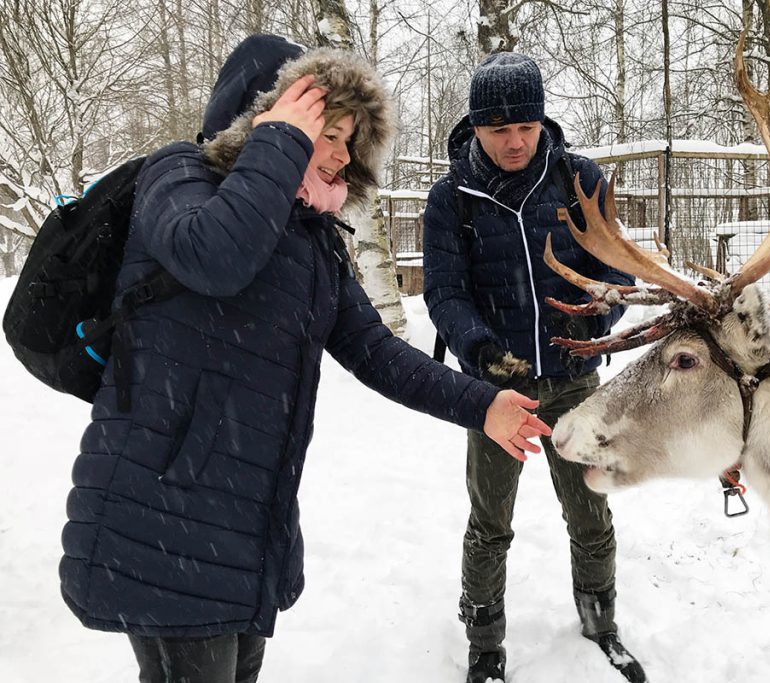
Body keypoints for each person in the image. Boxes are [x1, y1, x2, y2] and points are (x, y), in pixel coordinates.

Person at [58, 34, 551, 683]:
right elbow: (216, 255)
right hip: (165, 519)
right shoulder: (178, 176)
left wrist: (481, 402)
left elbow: (375, 350)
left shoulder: (312, 241)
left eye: (352, 140)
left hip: (246, 524)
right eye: (326, 129)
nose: (343, 153)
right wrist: (280, 138)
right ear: (264, 117)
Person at [423, 52, 646, 683]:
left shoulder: (579, 179)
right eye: (498, 131)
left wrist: (595, 314)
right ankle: (484, 637)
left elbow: (616, 265)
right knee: (490, 521)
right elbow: (444, 291)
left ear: (542, 119)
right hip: (498, 393)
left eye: (525, 127)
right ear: (475, 128)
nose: (514, 142)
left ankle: (601, 620)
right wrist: (477, 345)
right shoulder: (451, 200)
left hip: (576, 382)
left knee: (590, 509)